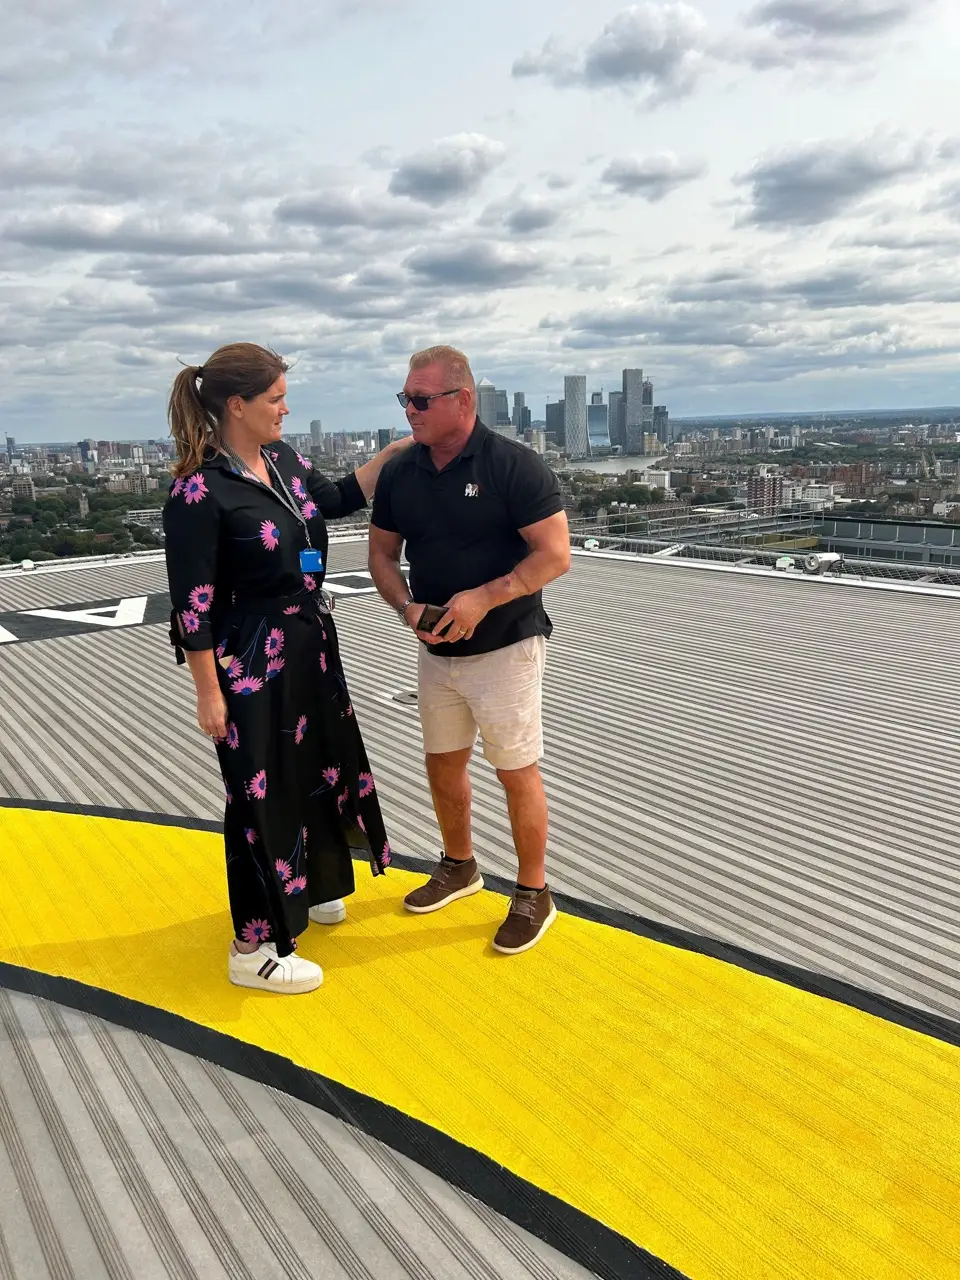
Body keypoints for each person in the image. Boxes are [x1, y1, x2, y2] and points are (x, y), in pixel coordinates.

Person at [163, 342, 411, 994]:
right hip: (249, 664)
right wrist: (208, 693)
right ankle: (253, 949)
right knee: (257, 795)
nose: (285, 409)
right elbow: (191, 605)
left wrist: (395, 453)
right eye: (275, 399)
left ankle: (313, 886)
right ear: (236, 405)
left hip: (308, 648)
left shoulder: (284, 460)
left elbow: (336, 498)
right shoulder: (198, 491)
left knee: (314, 770)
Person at [368, 345, 571, 955]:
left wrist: (485, 597)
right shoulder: (401, 472)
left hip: (506, 648)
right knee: (442, 762)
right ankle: (460, 866)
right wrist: (407, 607)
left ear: (463, 399)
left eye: (421, 399)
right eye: (405, 399)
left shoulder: (514, 465)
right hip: (436, 651)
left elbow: (555, 555)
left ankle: (534, 893)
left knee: (515, 770)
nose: (410, 411)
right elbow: (381, 556)